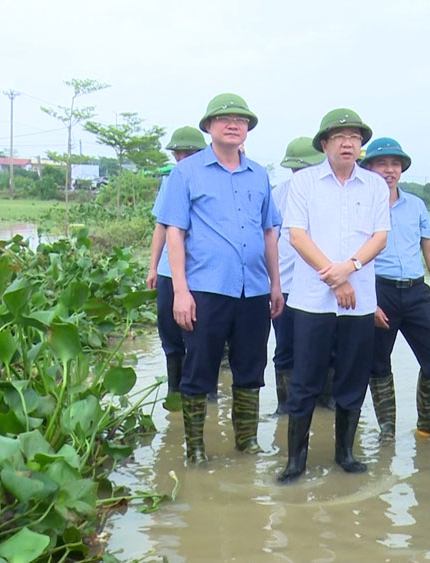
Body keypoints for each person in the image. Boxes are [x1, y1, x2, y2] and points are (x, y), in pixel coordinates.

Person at [157, 93, 284, 464]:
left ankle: (246, 443)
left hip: (254, 289)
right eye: (225, 119)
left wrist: (275, 285)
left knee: (250, 367)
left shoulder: (259, 174)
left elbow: (269, 233)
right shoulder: (186, 173)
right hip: (206, 289)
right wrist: (180, 291)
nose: (233, 125)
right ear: (209, 127)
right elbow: (174, 233)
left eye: (241, 120)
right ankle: (195, 449)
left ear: (247, 130)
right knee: (198, 369)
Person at [278, 108, 390, 483]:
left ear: (361, 145)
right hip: (312, 300)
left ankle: (345, 452)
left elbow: (380, 236)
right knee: (305, 380)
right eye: (340, 137)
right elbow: (297, 236)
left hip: (358, 304)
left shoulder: (374, 185)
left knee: (352, 378)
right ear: (324, 144)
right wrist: (336, 277)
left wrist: (351, 268)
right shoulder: (304, 183)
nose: (348, 143)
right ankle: (296, 461)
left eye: (355, 137)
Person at [360, 137, 430, 442]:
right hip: (379, 290)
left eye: (395, 164)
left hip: (416, 292)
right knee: (377, 362)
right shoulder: (361, 206)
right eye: (382, 163)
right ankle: (387, 429)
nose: (389, 170)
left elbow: (429, 249)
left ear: (402, 169)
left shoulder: (416, 205)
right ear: (369, 167)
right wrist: (369, 301)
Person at [270, 137, 335, 415]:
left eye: (304, 169)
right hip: (285, 285)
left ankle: (326, 402)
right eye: (295, 170)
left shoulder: (330, 192)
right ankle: (285, 405)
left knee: (328, 348)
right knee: (285, 347)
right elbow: (269, 238)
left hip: (321, 284)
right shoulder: (277, 194)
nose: (300, 175)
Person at [147, 126, 207, 411]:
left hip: (200, 273)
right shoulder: (172, 179)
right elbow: (162, 226)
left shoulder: (211, 178)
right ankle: (175, 391)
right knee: (169, 330)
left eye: (189, 153)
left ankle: (203, 391)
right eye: (178, 153)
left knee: (201, 331)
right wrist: (152, 268)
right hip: (169, 272)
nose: (183, 158)